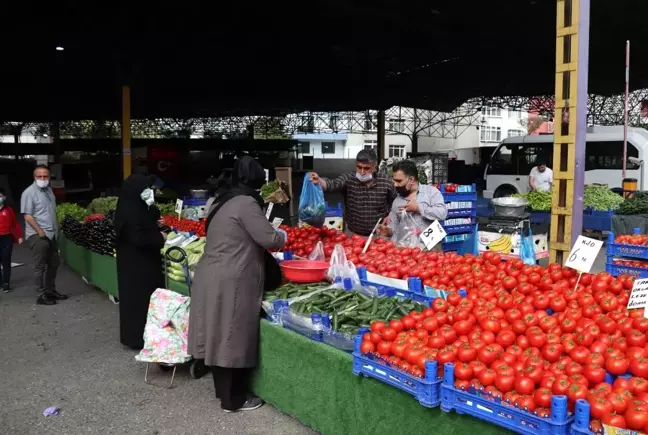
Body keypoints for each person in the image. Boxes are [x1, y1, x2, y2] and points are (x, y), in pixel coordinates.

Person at [188, 156, 286, 413]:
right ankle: (234, 400)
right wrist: (283, 234)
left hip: (211, 272)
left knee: (218, 333)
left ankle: (224, 393)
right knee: (232, 335)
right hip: (232, 277)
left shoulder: (222, 199)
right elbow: (270, 239)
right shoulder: (245, 203)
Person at [114, 174, 166, 350]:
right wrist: (160, 237)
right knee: (139, 302)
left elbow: (144, 223)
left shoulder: (131, 204)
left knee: (137, 302)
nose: (149, 192)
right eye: (146, 188)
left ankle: (140, 336)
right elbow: (138, 237)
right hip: (137, 265)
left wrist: (155, 221)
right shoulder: (131, 210)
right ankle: (139, 338)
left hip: (134, 263)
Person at [309, 149, 395, 237]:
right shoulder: (348, 178)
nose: (362, 172)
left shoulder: (386, 182)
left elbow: (397, 200)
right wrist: (319, 180)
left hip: (379, 234)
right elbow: (332, 184)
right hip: (353, 233)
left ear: (374, 167)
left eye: (366, 168)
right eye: (359, 167)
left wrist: (391, 215)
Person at [21, 165, 67, 305]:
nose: (42, 179)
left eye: (45, 176)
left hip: (52, 234)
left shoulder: (49, 190)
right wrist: (39, 231)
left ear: (49, 177)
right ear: (34, 177)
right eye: (39, 176)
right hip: (38, 235)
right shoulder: (29, 193)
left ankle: (50, 290)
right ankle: (41, 294)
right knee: (40, 266)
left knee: (54, 263)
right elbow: (27, 216)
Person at [379, 160, 448, 251]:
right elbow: (394, 225)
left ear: (411, 179)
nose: (395, 184)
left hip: (429, 249)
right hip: (405, 251)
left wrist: (418, 208)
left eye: (399, 181)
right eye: (394, 180)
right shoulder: (397, 201)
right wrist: (387, 231)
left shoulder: (431, 192)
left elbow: (442, 214)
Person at [0, 188, 24, 292]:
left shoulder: (8, 210)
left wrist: (19, 236)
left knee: (6, 261)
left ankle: (6, 283)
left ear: (4, 197)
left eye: (0, 196)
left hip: (6, 238)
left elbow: (15, 224)